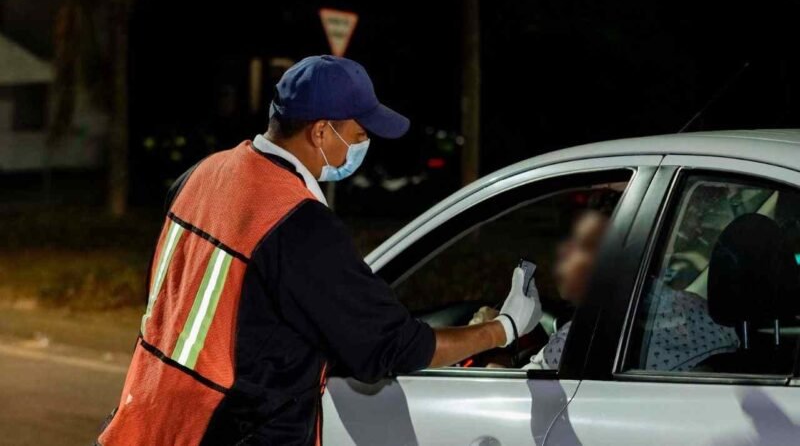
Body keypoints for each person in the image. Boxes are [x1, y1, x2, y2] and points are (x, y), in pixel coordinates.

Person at [97, 55, 538, 446]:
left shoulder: (203, 174)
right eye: (360, 134)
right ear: (322, 131)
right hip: (225, 432)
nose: (364, 146)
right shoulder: (297, 223)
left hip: (144, 419)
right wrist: (504, 328)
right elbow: (390, 347)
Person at [470, 190, 620, 369]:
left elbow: (522, 387)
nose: (564, 251)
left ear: (614, 261)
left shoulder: (580, 338)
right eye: (570, 240)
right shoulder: (627, 323)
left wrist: (490, 335)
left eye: (584, 245)